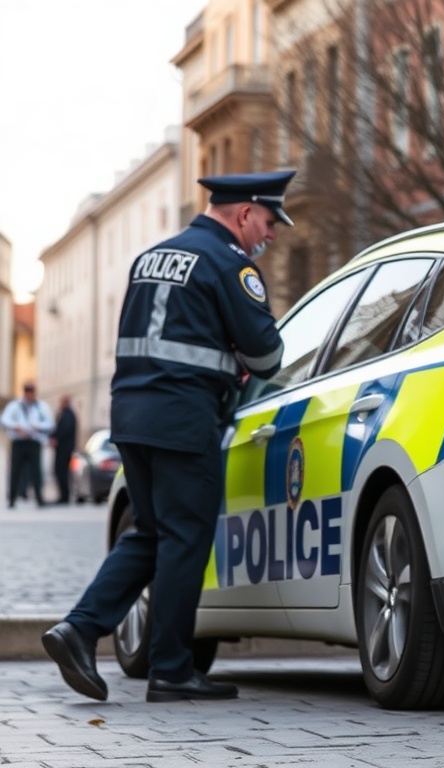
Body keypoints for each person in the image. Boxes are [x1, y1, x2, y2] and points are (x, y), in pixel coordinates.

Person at [41, 170, 293, 704]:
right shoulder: (229, 263)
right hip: (183, 418)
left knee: (151, 533)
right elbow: (268, 354)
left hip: (131, 416)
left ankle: (79, 629)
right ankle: (173, 668)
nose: (270, 236)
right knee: (185, 538)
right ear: (245, 213)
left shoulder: (149, 258)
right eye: (269, 223)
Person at [1, 382, 55, 508]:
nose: (29, 395)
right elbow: (4, 419)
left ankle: (39, 498)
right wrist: (16, 427)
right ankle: (12, 498)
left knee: (36, 471)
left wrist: (37, 426)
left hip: (33, 442)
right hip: (18, 442)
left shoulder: (41, 407)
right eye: (27, 392)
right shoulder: (15, 406)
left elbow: (50, 423)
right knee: (15, 471)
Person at [50, 395, 78, 505]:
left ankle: (64, 496)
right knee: (60, 472)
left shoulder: (68, 415)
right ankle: (63, 495)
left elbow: (63, 430)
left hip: (64, 449)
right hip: (63, 448)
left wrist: (55, 438)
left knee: (61, 472)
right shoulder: (66, 414)